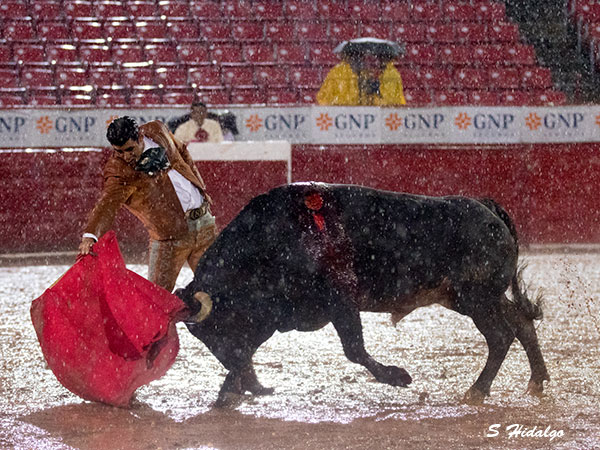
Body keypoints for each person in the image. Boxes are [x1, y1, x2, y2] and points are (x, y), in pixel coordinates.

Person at [79, 116, 217, 293]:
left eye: (129, 149)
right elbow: (108, 203)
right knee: (157, 301)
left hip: (204, 223)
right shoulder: (118, 170)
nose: (125, 156)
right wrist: (91, 234)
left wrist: (199, 187)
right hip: (170, 238)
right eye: (118, 152)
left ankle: (190, 308)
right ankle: (187, 306)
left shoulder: (156, 130)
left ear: (140, 137)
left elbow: (181, 150)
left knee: (219, 291)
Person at [317, 45, 406, 106]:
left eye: (375, 56)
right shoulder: (338, 72)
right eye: (366, 56)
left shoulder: (391, 73)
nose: (371, 61)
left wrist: (376, 94)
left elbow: (397, 104)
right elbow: (323, 102)